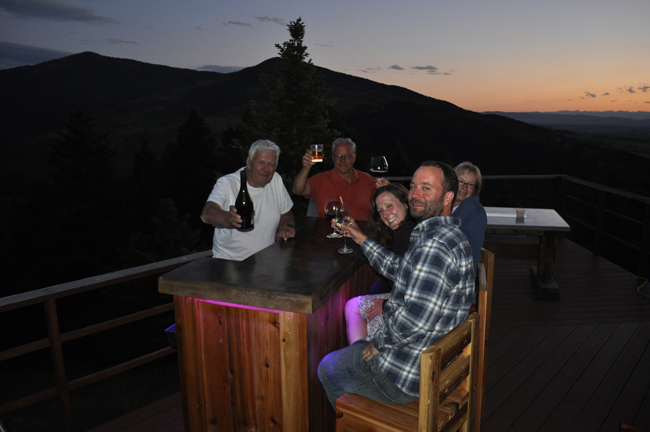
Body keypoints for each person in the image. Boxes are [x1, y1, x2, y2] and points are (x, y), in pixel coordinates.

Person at [318, 161, 475, 409]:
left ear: (447, 197)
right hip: (430, 361)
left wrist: (378, 343)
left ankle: (364, 421)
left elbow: (416, 319)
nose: (415, 194)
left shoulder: (435, 246)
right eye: (413, 187)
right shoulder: (446, 235)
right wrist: (359, 237)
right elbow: (399, 269)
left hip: (406, 375)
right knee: (354, 347)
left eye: (426, 188)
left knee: (326, 368)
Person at [344, 183, 416, 344]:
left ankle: (359, 357)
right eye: (381, 211)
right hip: (400, 301)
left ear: (406, 203)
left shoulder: (409, 231)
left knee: (353, 307)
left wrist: (387, 304)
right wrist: (355, 235)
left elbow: (412, 285)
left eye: (390, 206)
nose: (386, 214)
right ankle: (359, 355)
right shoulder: (399, 231)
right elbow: (377, 254)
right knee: (354, 305)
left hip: (407, 313)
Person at [200, 139, 295, 261]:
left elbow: (286, 212)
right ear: (249, 162)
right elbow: (207, 214)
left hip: (267, 262)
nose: (266, 169)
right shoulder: (228, 183)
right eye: (261, 162)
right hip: (231, 263)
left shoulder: (275, 180)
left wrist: (286, 225)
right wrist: (229, 219)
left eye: (271, 164)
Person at [292, 138, 376, 220]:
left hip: (363, 233)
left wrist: (386, 186)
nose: (342, 160)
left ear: (353, 157)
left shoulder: (367, 180)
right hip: (331, 233)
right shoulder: (322, 180)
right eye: (338, 155)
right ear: (333, 158)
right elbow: (297, 190)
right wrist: (306, 167)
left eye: (347, 155)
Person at [452, 161, 487, 272]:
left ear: (474, 190)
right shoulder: (443, 205)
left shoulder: (475, 211)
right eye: (461, 182)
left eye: (470, 184)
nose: (464, 187)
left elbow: (470, 254)